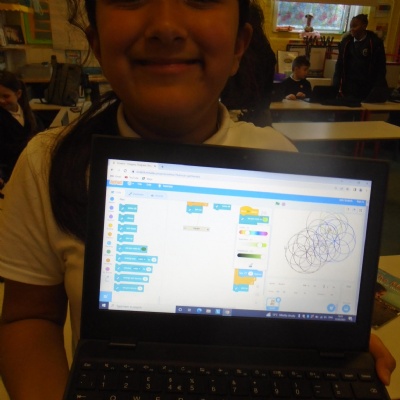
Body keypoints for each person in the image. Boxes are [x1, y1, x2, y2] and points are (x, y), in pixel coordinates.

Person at [0, 1, 395, 400]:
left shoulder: (276, 155)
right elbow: (29, 316)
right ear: (97, 42)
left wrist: (326, 345)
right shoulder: (46, 163)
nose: (166, 26)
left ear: (239, 45)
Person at [220, 0, 276, 127]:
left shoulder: (232, 48)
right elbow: (267, 93)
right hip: (260, 116)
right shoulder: (266, 51)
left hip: (230, 115)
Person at [0, 70, 43, 188]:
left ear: (18, 94)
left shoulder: (27, 113)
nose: (1, 100)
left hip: (31, 168)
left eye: (6, 96)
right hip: (11, 173)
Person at [333, 14, 387, 101]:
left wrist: (377, 89)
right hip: (348, 87)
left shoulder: (375, 43)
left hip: (367, 88)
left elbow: (381, 68)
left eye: (355, 26)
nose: (352, 29)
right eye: (351, 26)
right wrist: (335, 85)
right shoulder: (346, 42)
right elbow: (339, 65)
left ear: (364, 26)